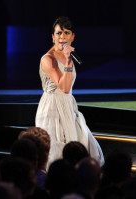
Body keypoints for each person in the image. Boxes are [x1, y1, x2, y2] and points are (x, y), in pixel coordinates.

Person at [35, 16, 104, 167]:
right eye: (59, 33)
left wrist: (67, 58)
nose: (62, 37)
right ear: (53, 36)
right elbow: (64, 87)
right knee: (57, 153)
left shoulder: (68, 56)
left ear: (72, 36)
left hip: (68, 106)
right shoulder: (48, 59)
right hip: (52, 109)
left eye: (66, 33)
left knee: (88, 149)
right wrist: (67, 61)